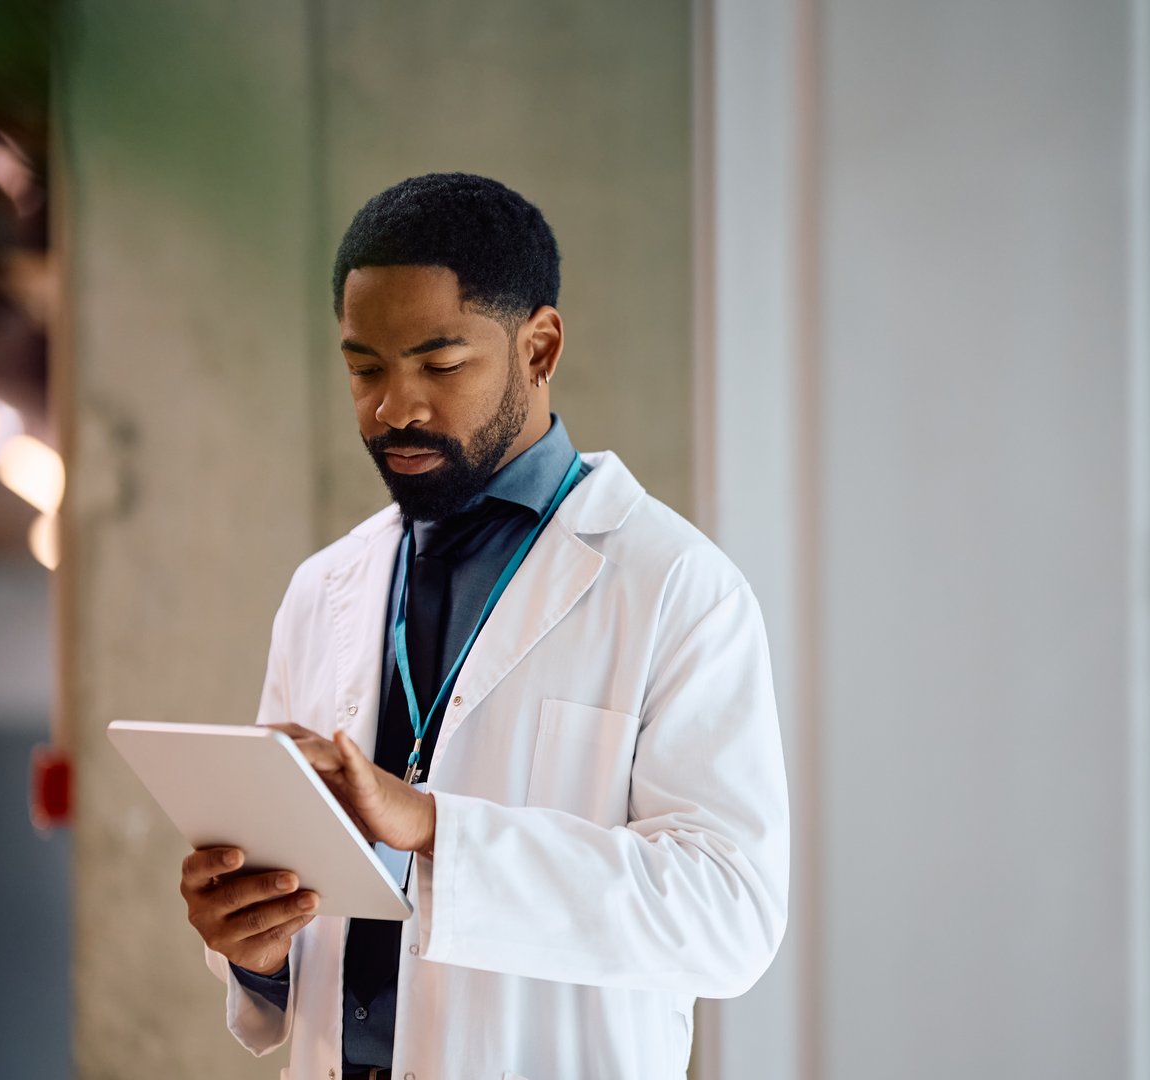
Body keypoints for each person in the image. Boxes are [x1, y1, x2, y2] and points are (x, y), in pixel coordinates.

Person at [176, 173, 789, 1080]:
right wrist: (251, 947)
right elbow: (303, 948)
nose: (394, 407)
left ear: (538, 348)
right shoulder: (323, 590)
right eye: (364, 368)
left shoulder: (676, 588)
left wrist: (433, 826)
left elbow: (729, 918)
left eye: (440, 364)